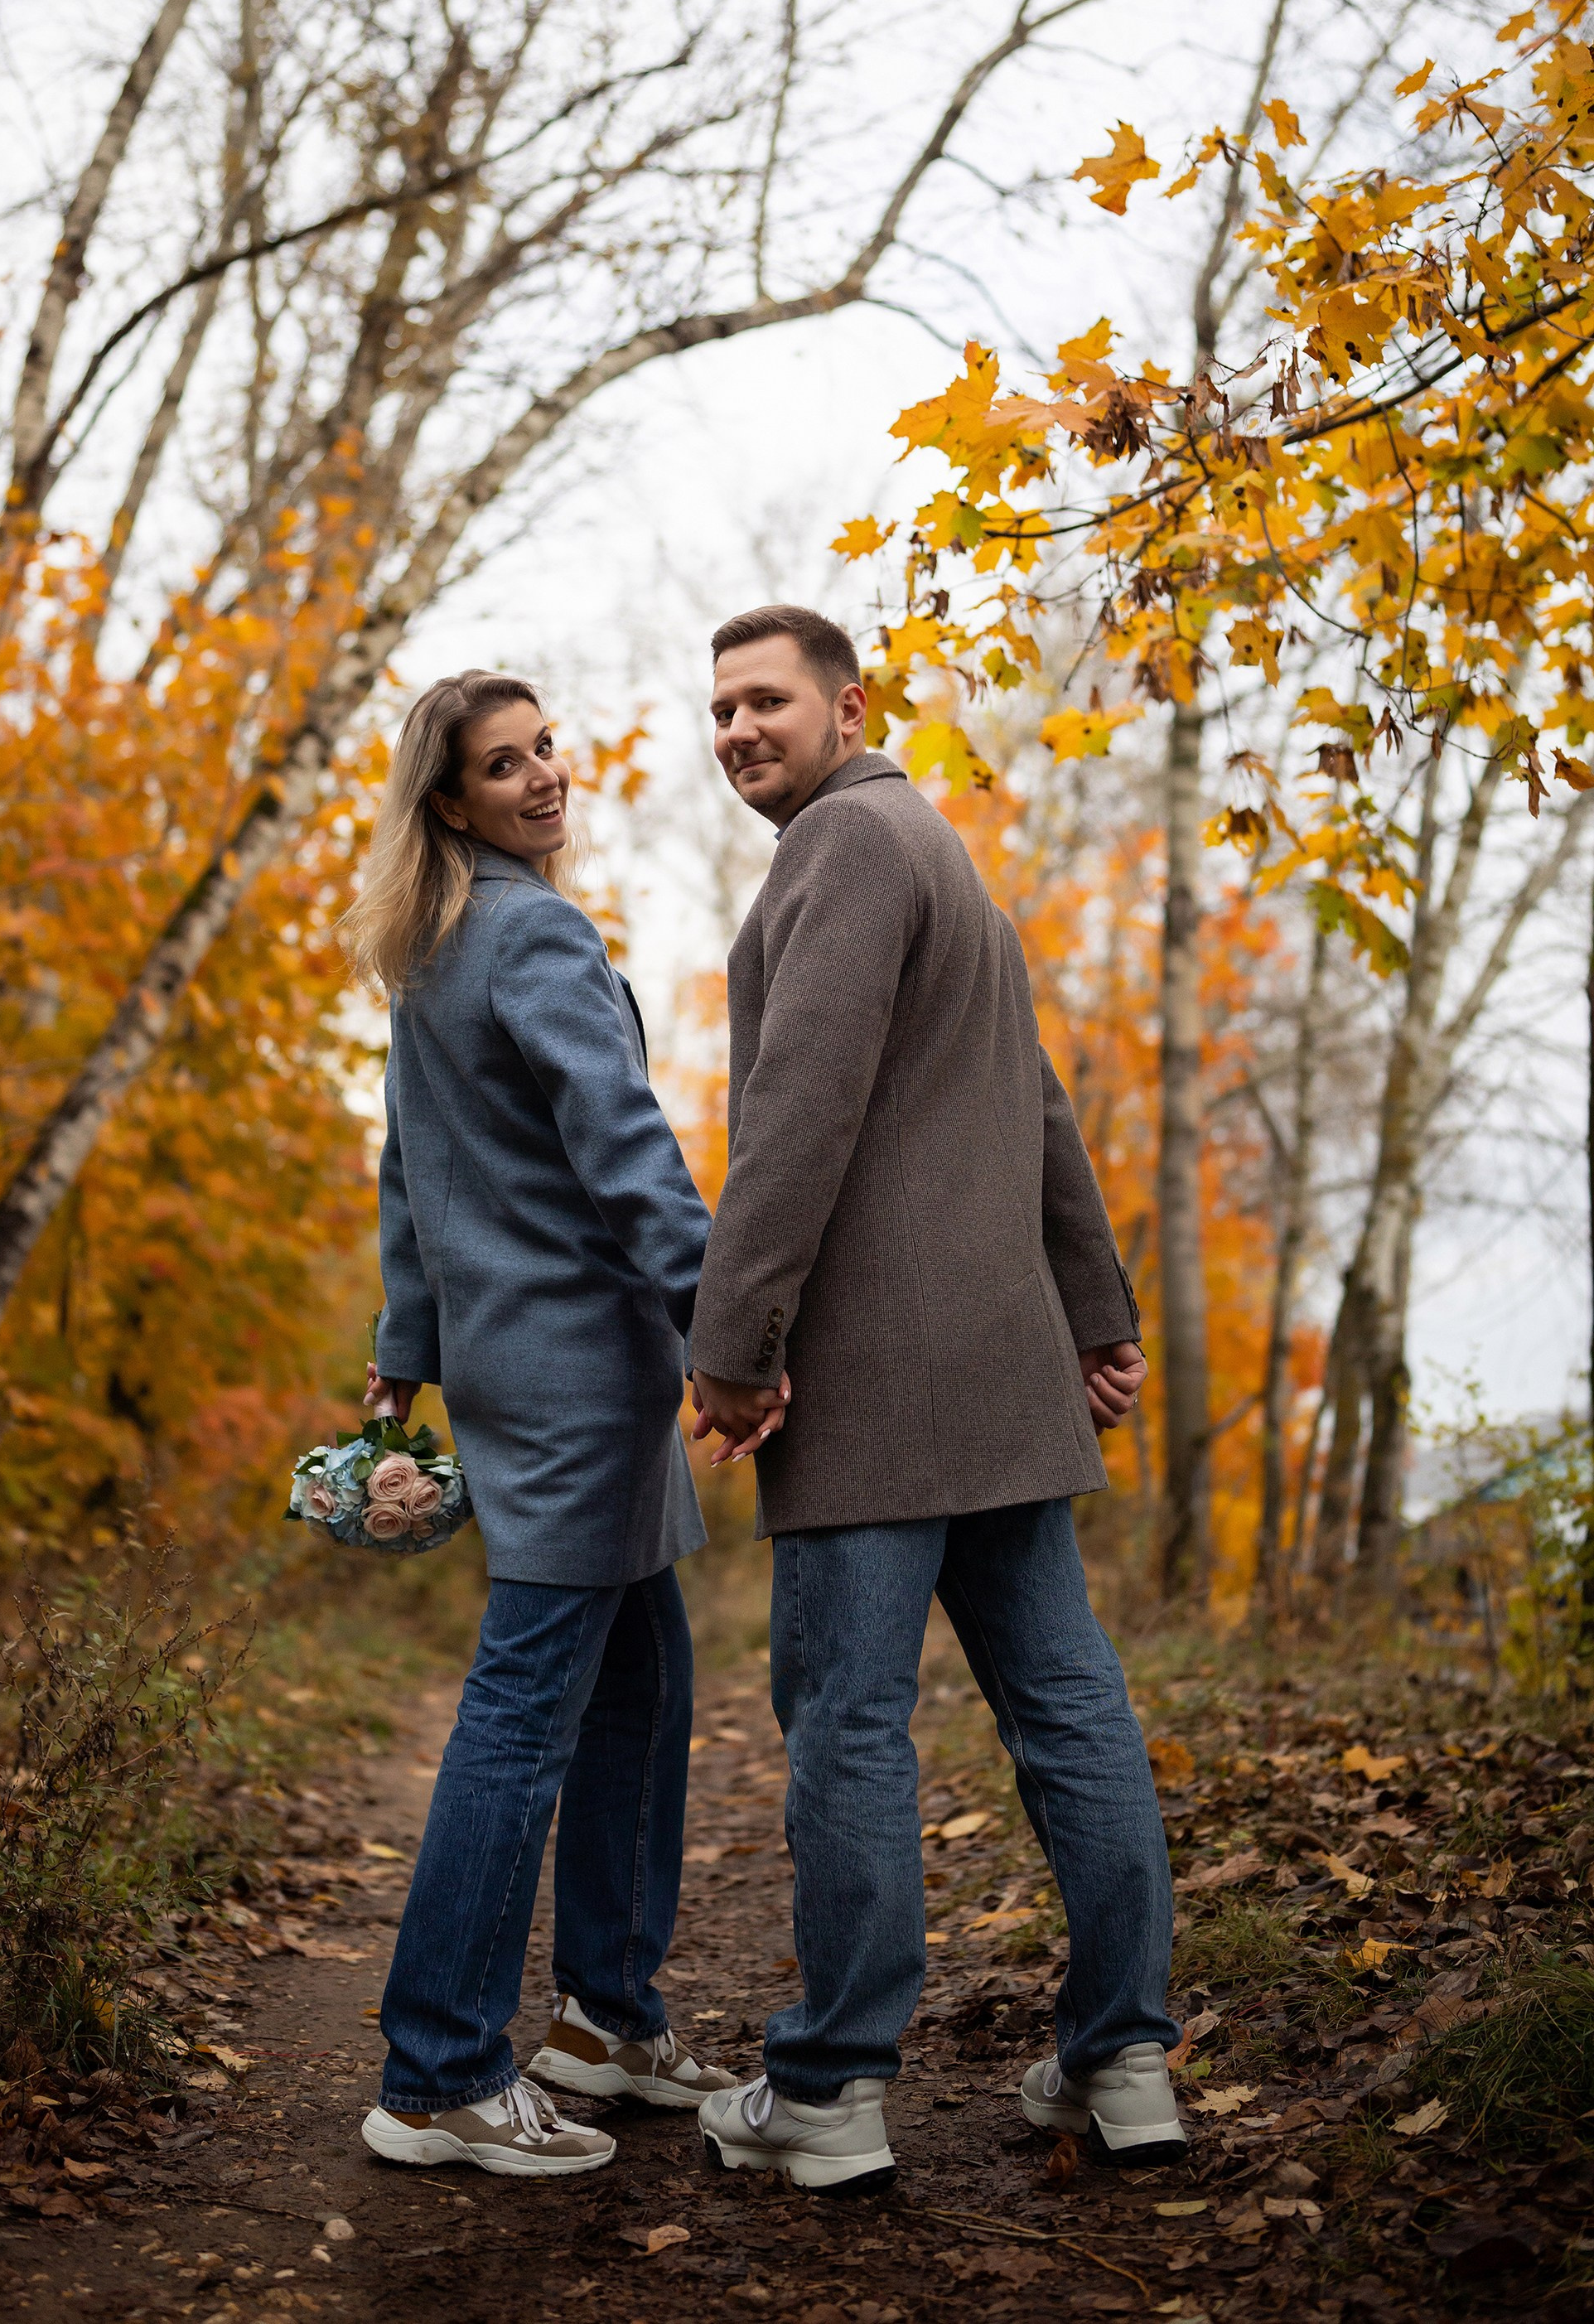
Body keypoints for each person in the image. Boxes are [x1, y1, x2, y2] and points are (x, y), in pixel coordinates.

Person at [685, 606, 1184, 2196]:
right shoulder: (939, 849)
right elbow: (1035, 1096)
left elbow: (796, 1110)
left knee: (847, 1724)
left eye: (765, 699)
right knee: (1068, 1708)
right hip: (1003, 1372)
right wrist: (1095, 1314)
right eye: (718, 710)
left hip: (877, 1394)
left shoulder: (839, 848)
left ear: (849, 704)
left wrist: (735, 1338)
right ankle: (1122, 2055)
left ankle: (830, 2084)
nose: (737, 729)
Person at [342, 670, 741, 2179]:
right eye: (501, 766)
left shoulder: (433, 952)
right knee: (523, 1718)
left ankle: (606, 2018)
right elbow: (625, 1146)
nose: (539, 777)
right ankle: (438, 2065)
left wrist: (404, 1347)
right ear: (450, 803)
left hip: (539, 1374)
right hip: (580, 1381)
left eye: (543, 748)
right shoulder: (530, 933)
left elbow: (404, 1169)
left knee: (641, 1686)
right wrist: (728, 1326)